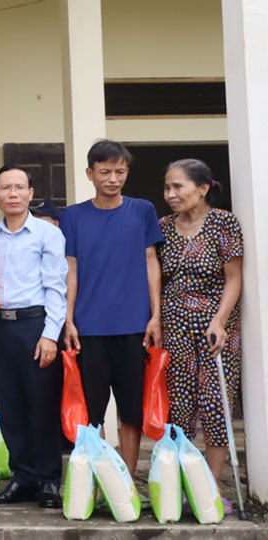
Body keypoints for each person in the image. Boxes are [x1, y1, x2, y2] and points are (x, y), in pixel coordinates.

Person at [61, 139, 163, 477]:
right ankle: (101, 478)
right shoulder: (73, 216)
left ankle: (129, 478)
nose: (113, 178)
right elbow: (71, 268)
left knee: (131, 410)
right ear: (90, 173)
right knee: (92, 411)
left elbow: (151, 262)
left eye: (120, 171)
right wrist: (69, 319)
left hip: (135, 326)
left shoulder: (142, 210)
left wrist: (155, 315)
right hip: (89, 328)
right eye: (105, 171)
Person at [0, 165, 67, 508]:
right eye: (6, 188)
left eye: (20, 187)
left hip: (37, 325)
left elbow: (56, 288)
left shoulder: (48, 235)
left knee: (42, 404)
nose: (13, 194)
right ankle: (22, 476)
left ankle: (48, 479)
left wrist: (51, 335)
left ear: (31, 194)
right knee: (10, 405)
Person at [159, 159, 242, 501]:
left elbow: (234, 277)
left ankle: (208, 490)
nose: (170, 194)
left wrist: (220, 321)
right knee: (177, 408)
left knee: (215, 406)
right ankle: (179, 488)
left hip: (215, 329)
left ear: (203, 188)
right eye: (167, 187)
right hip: (174, 326)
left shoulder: (224, 223)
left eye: (178, 187)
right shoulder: (163, 227)